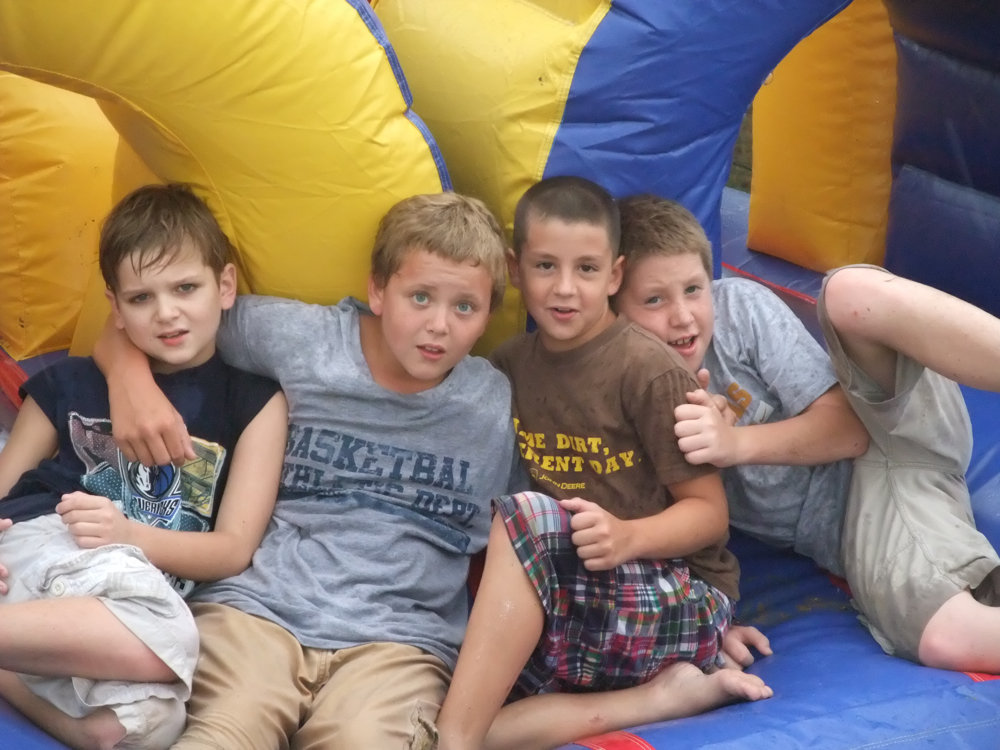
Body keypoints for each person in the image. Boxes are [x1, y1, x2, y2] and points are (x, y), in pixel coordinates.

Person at [94, 191, 522, 749]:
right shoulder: (305, 340)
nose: (438, 326)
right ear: (377, 289)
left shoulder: (491, 403)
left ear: (489, 314)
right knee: (224, 733)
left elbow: (525, 536)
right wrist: (130, 381)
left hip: (398, 645)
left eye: (465, 307)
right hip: (258, 611)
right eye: (419, 297)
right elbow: (150, 320)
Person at [433, 176, 772, 750]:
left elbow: (709, 515)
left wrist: (626, 537)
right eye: (545, 267)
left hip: (681, 594)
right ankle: (659, 699)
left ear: (613, 276)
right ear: (515, 270)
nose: (565, 289)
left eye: (586, 270)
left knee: (527, 518)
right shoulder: (510, 366)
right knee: (468, 711)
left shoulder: (649, 371)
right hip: (579, 595)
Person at [613, 193, 1000, 674]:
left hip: (888, 422)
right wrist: (705, 621)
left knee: (849, 291)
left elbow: (849, 430)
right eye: (654, 300)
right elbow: (649, 522)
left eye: (694, 289)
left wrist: (733, 445)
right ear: (616, 311)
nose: (683, 316)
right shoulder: (627, 398)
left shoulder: (738, 312)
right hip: (866, 514)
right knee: (947, 636)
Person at [0, 183, 288, 750]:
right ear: (115, 306)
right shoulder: (70, 383)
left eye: (186, 288)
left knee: (152, 722)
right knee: (174, 634)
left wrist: (130, 535)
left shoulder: (252, 402)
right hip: (46, 546)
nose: (167, 313)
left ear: (225, 285)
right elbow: (7, 485)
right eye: (141, 298)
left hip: (120, 600)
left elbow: (232, 548)